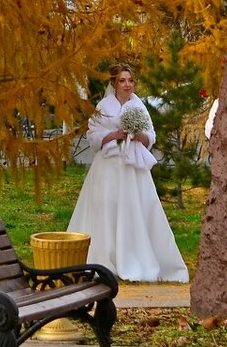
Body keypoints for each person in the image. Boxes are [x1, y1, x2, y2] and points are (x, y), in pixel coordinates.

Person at [67, 64, 190, 282]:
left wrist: (137, 134)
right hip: (109, 165)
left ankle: (136, 254)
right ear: (114, 83)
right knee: (107, 207)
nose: (127, 85)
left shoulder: (139, 106)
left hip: (133, 166)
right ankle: (105, 256)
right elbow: (93, 136)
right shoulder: (104, 106)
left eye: (130, 81)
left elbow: (150, 136)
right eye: (123, 81)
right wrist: (114, 134)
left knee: (137, 206)